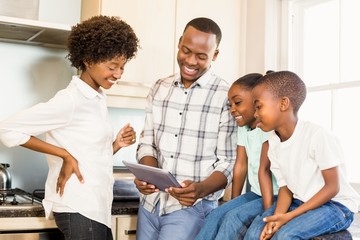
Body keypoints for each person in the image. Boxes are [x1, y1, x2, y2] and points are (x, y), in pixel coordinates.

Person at [0, 15, 139, 240]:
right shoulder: (72, 99)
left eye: (122, 67)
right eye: (112, 66)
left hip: (97, 209)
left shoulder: (96, 98)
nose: (118, 74)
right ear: (88, 59)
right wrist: (64, 154)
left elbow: (90, 157)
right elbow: (7, 130)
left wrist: (116, 144)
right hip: (79, 209)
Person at [134, 17, 237, 240]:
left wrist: (199, 189)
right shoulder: (160, 87)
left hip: (193, 209)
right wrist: (147, 178)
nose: (190, 61)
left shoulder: (225, 96)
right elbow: (147, 144)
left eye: (201, 56)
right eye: (186, 50)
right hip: (150, 205)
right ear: (179, 43)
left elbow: (228, 162)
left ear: (215, 55)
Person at [244, 70, 360, 239]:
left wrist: (289, 217)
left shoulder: (317, 135)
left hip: (335, 206)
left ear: (283, 103)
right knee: (256, 232)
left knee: (285, 235)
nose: (255, 114)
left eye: (259, 106)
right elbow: (285, 188)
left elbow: (332, 187)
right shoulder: (273, 143)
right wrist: (277, 218)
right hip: (300, 202)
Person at [195, 73, 278, 240]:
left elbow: (265, 171)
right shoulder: (243, 128)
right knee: (215, 215)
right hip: (255, 194)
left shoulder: (268, 130)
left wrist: (268, 212)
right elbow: (240, 166)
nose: (232, 109)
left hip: (275, 196)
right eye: (230, 104)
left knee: (233, 219)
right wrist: (234, 202)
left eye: (237, 102)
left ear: (256, 100)